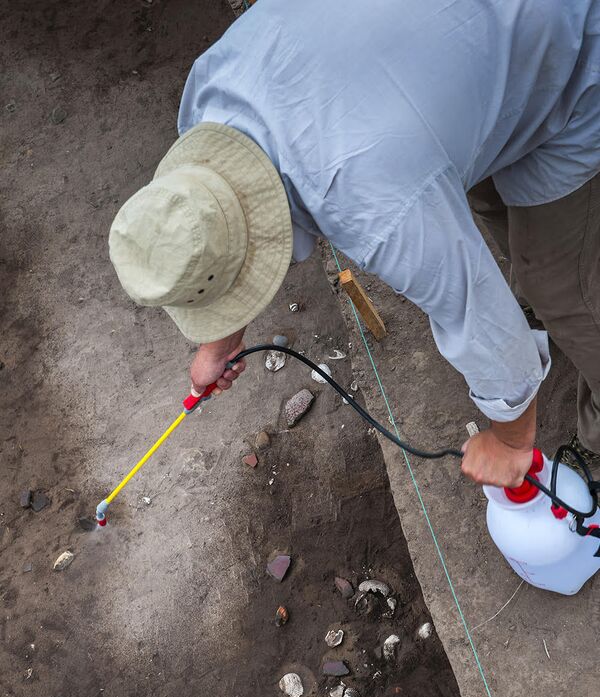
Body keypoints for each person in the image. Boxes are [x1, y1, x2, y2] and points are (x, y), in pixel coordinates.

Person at [108, 0, 600, 487]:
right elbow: (216, 222)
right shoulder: (210, 95)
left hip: (570, 45)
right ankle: (534, 302)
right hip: (457, 49)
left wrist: (512, 441)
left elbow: (474, 309)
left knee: (567, 288)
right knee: (488, 191)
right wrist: (223, 341)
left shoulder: (372, 202)